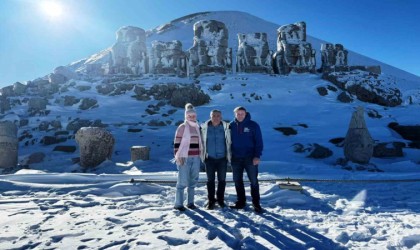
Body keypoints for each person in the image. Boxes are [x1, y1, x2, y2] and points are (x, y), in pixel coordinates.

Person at [229, 106, 264, 213]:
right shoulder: (231, 126)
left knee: (253, 181)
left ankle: (256, 203)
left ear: (245, 114)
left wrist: (257, 156)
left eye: (242, 113)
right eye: (238, 113)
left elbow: (259, 142)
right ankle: (241, 202)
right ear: (235, 114)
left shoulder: (253, 125)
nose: (240, 115)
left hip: (250, 158)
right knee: (237, 181)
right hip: (236, 158)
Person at [172, 103, 203, 211]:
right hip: (184, 157)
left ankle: (190, 203)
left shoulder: (198, 127)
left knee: (193, 181)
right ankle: (178, 204)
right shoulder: (182, 127)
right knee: (182, 181)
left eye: (193, 115)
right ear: (186, 116)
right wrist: (178, 155)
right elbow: (177, 142)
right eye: (189, 115)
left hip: (196, 157)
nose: (191, 117)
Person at [200, 109, 231, 210]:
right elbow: (200, 142)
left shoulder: (226, 127)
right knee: (210, 180)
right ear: (210, 116)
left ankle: (220, 199)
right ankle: (211, 200)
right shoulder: (204, 127)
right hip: (210, 158)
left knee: (222, 180)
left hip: (222, 158)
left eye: (218, 116)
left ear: (221, 117)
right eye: (214, 115)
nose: (216, 117)